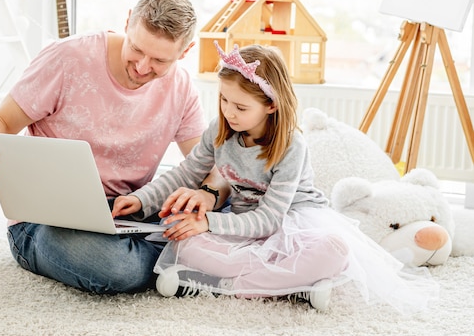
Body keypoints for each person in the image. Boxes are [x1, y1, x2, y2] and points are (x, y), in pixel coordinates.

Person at [112, 42, 438, 313]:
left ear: (271, 105)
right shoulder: (221, 129)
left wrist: (210, 222)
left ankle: (227, 286)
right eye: (224, 100)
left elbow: (270, 219)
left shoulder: (292, 147)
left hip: (290, 224)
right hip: (244, 224)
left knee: (335, 250)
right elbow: (186, 173)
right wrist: (141, 198)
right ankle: (291, 288)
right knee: (182, 237)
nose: (229, 111)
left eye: (240, 106)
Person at [0, 0, 229, 295]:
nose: (143, 67)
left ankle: (172, 258)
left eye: (159, 60)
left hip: (128, 213)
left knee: (230, 211)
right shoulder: (67, 57)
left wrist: (210, 196)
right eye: (137, 49)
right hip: (47, 221)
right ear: (128, 21)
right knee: (113, 266)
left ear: (185, 52)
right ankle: (182, 263)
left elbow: (212, 167)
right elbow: (1, 122)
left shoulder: (181, 88)